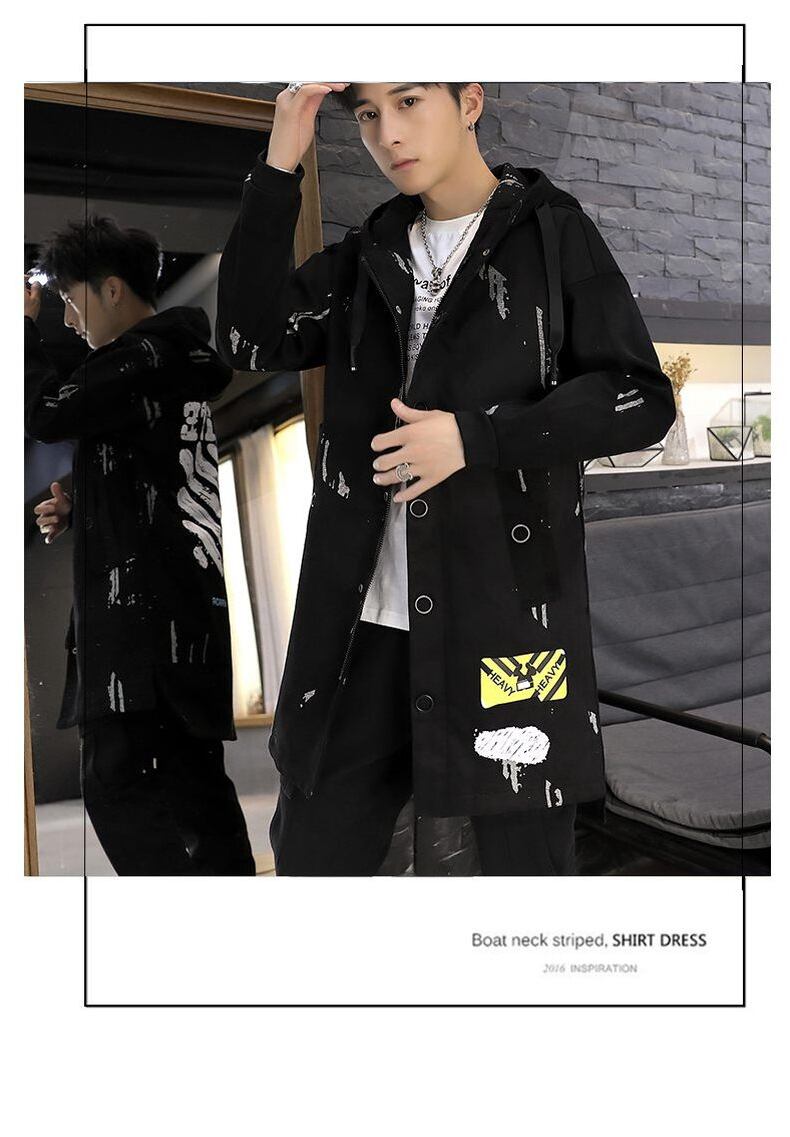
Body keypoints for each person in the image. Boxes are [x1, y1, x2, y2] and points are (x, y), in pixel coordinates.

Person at [216, 82, 677, 876]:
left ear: (470, 102)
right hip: (358, 628)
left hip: (504, 626)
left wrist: (477, 437)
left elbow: (640, 399)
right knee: (315, 858)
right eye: (368, 115)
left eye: (409, 102)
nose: (387, 134)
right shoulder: (365, 258)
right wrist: (283, 150)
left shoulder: (553, 234)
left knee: (522, 874)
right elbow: (245, 337)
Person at [25, 215, 255, 876]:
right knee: (196, 798)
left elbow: (47, 412)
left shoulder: (143, 357)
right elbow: (155, 469)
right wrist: (83, 504)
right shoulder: (166, 363)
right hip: (179, 622)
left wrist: (22, 329)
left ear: (112, 289)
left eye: (72, 300)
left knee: (120, 788)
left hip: (143, 633)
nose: (69, 319)